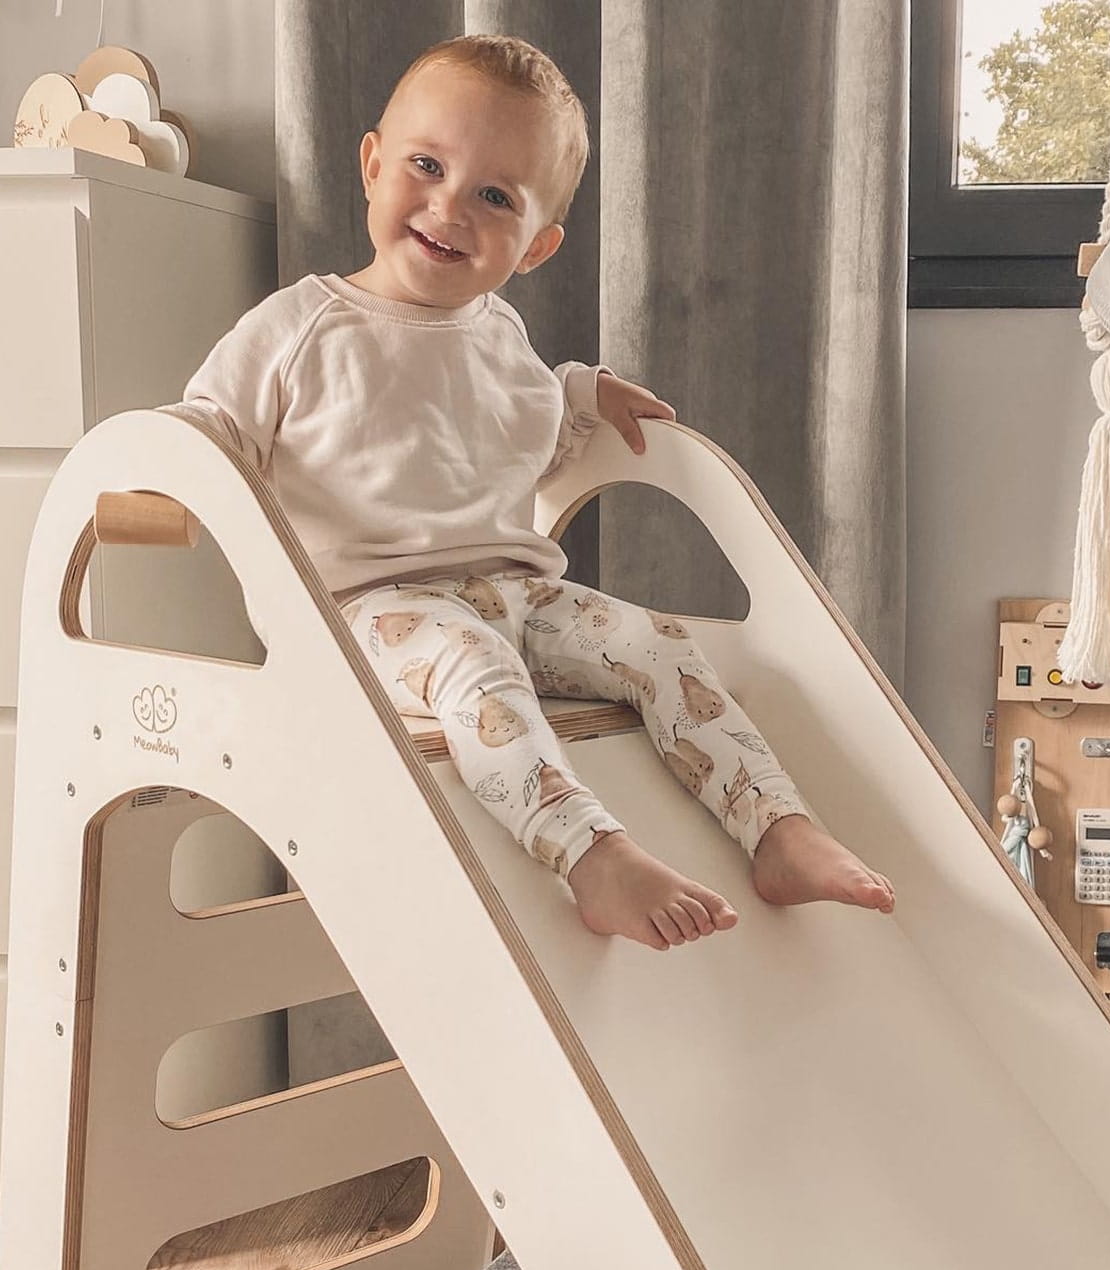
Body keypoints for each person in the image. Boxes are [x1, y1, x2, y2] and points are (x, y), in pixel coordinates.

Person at [165, 33, 894, 952]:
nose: (448, 206)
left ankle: (775, 826)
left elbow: (533, 426)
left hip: (516, 592)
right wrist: (157, 481)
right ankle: (592, 857)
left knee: (658, 644)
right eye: (426, 166)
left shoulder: (499, 332)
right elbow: (205, 428)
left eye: (494, 197)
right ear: (372, 162)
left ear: (537, 244)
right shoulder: (302, 325)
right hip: (369, 614)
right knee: (479, 673)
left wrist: (586, 393)